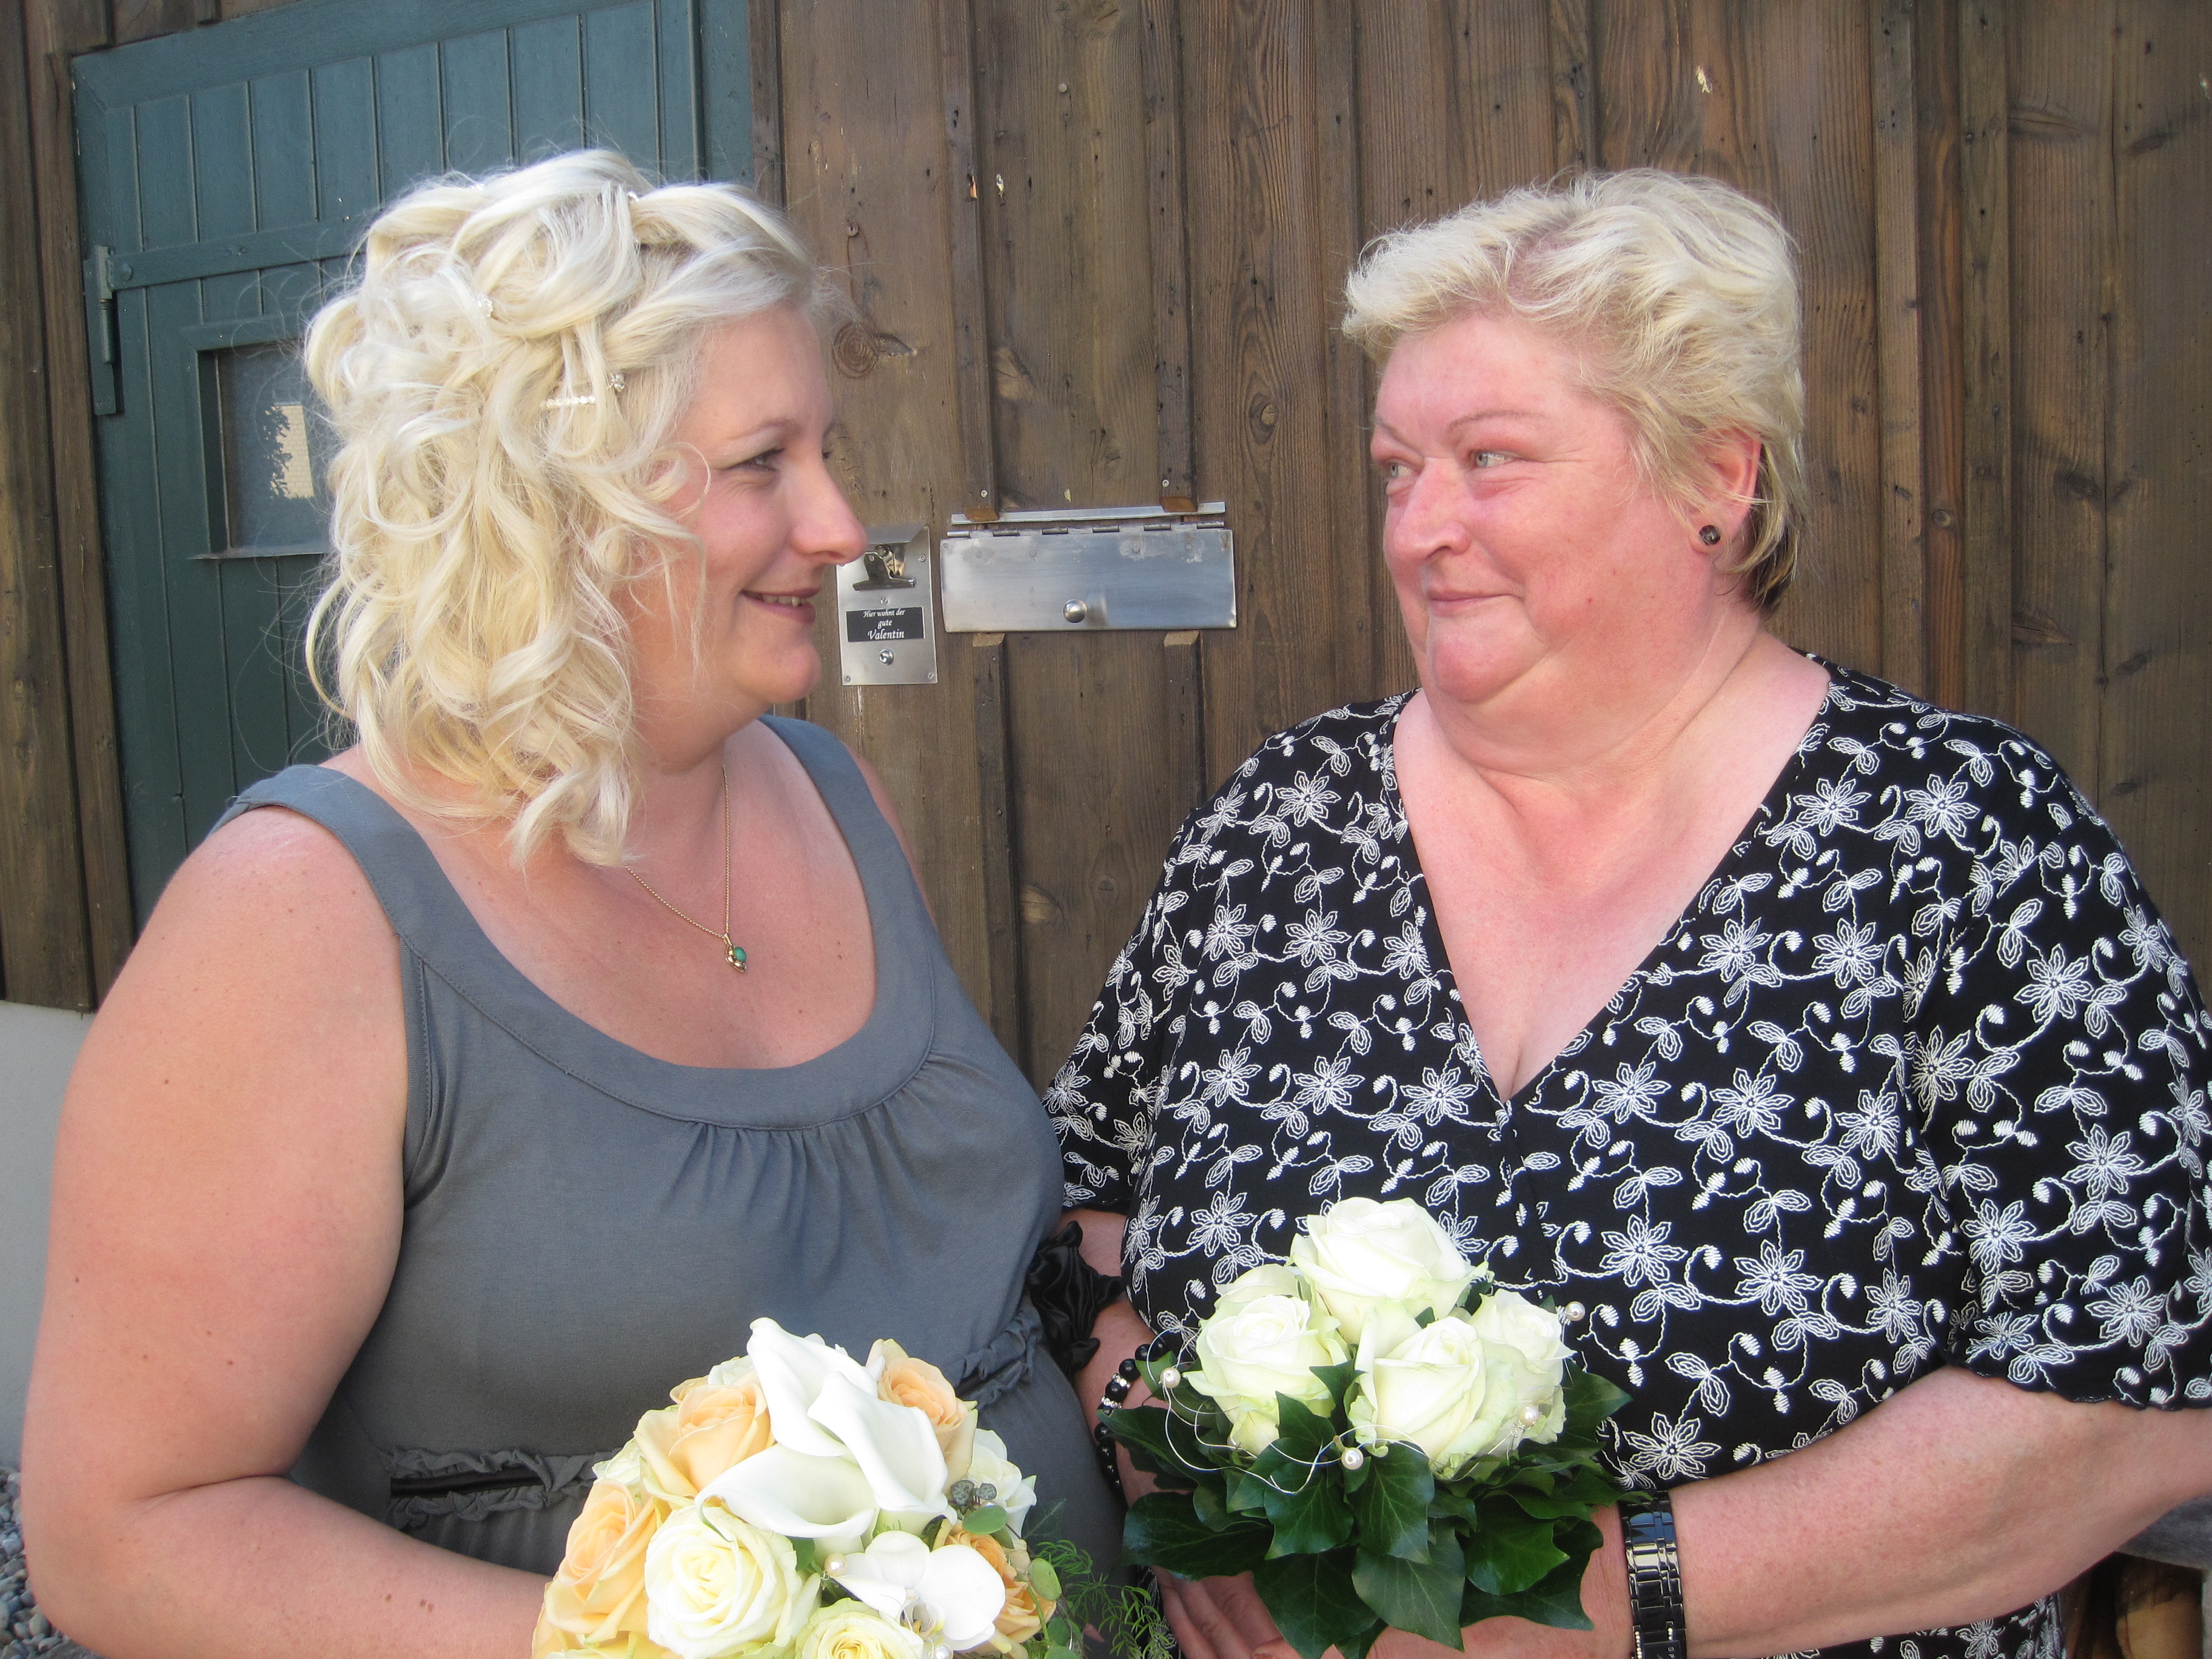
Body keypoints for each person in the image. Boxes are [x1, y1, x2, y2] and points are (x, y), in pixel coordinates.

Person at [1051, 169, 2212, 1659]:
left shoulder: (1963, 845)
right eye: (1400, 468)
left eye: (1491, 460)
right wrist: (1172, 1456)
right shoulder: (1284, 823)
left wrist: (1595, 1602)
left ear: (1715, 482)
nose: (1420, 529)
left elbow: (2134, 1398)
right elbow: (1077, 1203)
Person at [22, 150, 1117, 1658]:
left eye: (829, 451)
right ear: (549, 504)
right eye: (764, 464)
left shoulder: (834, 797)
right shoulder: (301, 917)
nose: (842, 525)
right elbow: (125, 1533)